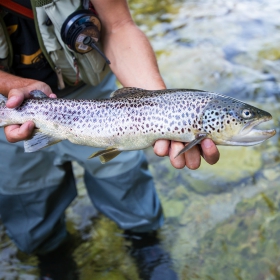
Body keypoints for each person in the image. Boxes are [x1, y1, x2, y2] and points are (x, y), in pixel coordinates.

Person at [0, 0, 220, 278]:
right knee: (29, 200)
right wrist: (10, 86)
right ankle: (53, 259)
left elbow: (118, 26)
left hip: (98, 95)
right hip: (14, 101)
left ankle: (145, 242)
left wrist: (162, 105)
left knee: (124, 176)